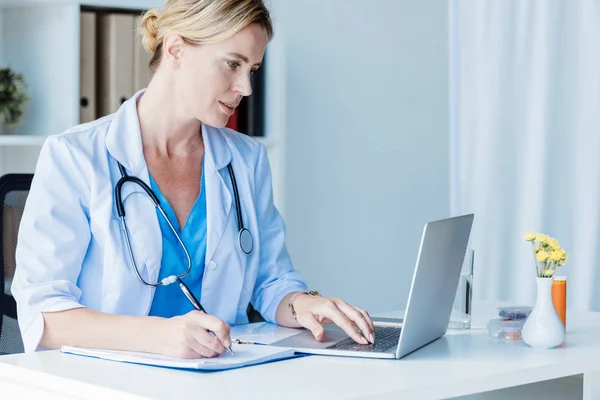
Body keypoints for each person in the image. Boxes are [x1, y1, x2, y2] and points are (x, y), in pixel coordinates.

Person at [12, 0, 375, 359]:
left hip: (218, 375)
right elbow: (44, 314)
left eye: (252, 69)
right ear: (175, 49)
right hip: (108, 379)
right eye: (233, 64)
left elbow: (271, 280)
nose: (245, 87)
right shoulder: (75, 155)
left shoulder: (246, 160)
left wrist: (303, 304)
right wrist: (158, 335)